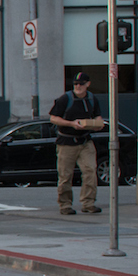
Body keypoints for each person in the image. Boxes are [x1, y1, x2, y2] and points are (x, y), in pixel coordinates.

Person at [47, 72, 104, 215]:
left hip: (85, 140)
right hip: (66, 141)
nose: (78, 86)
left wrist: (98, 123)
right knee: (65, 175)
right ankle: (65, 205)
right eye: (76, 84)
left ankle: (88, 202)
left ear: (88, 84)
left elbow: (97, 115)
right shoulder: (65, 99)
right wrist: (71, 124)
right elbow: (53, 118)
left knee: (90, 171)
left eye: (81, 84)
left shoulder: (92, 99)